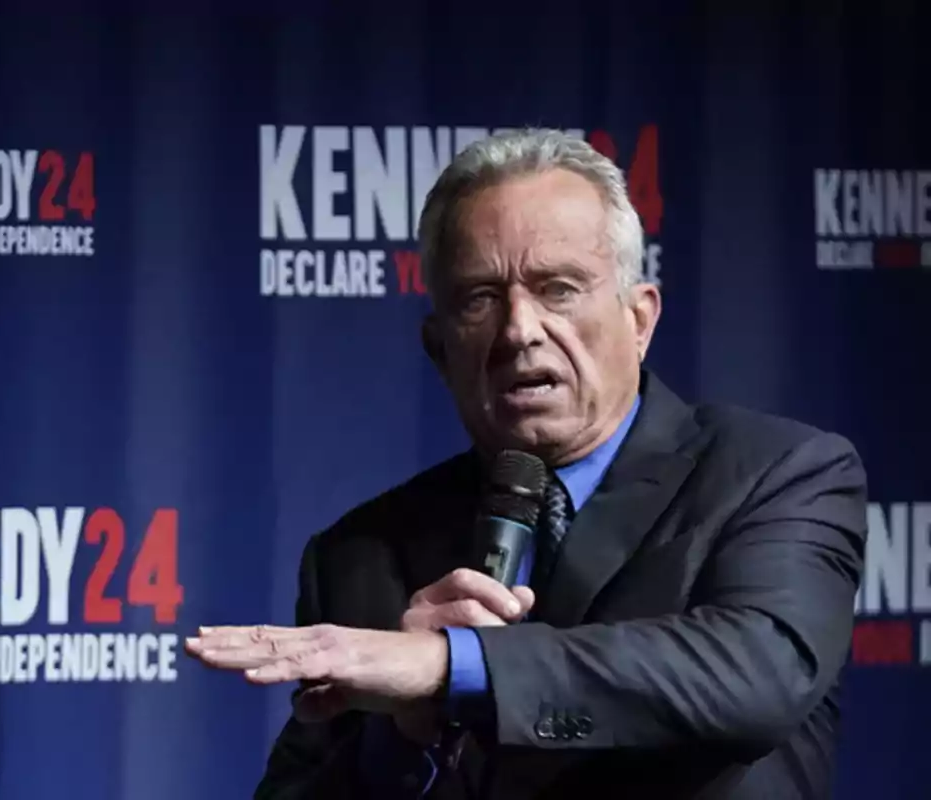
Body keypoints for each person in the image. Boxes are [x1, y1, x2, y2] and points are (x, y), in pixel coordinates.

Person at [185, 128, 868, 799]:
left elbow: (760, 675)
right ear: (438, 347)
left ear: (640, 318)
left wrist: (454, 665)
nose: (519, 329)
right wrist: (402, 739)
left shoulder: (778, 474)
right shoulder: (359, 556)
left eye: (559, 288)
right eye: (480, 298)